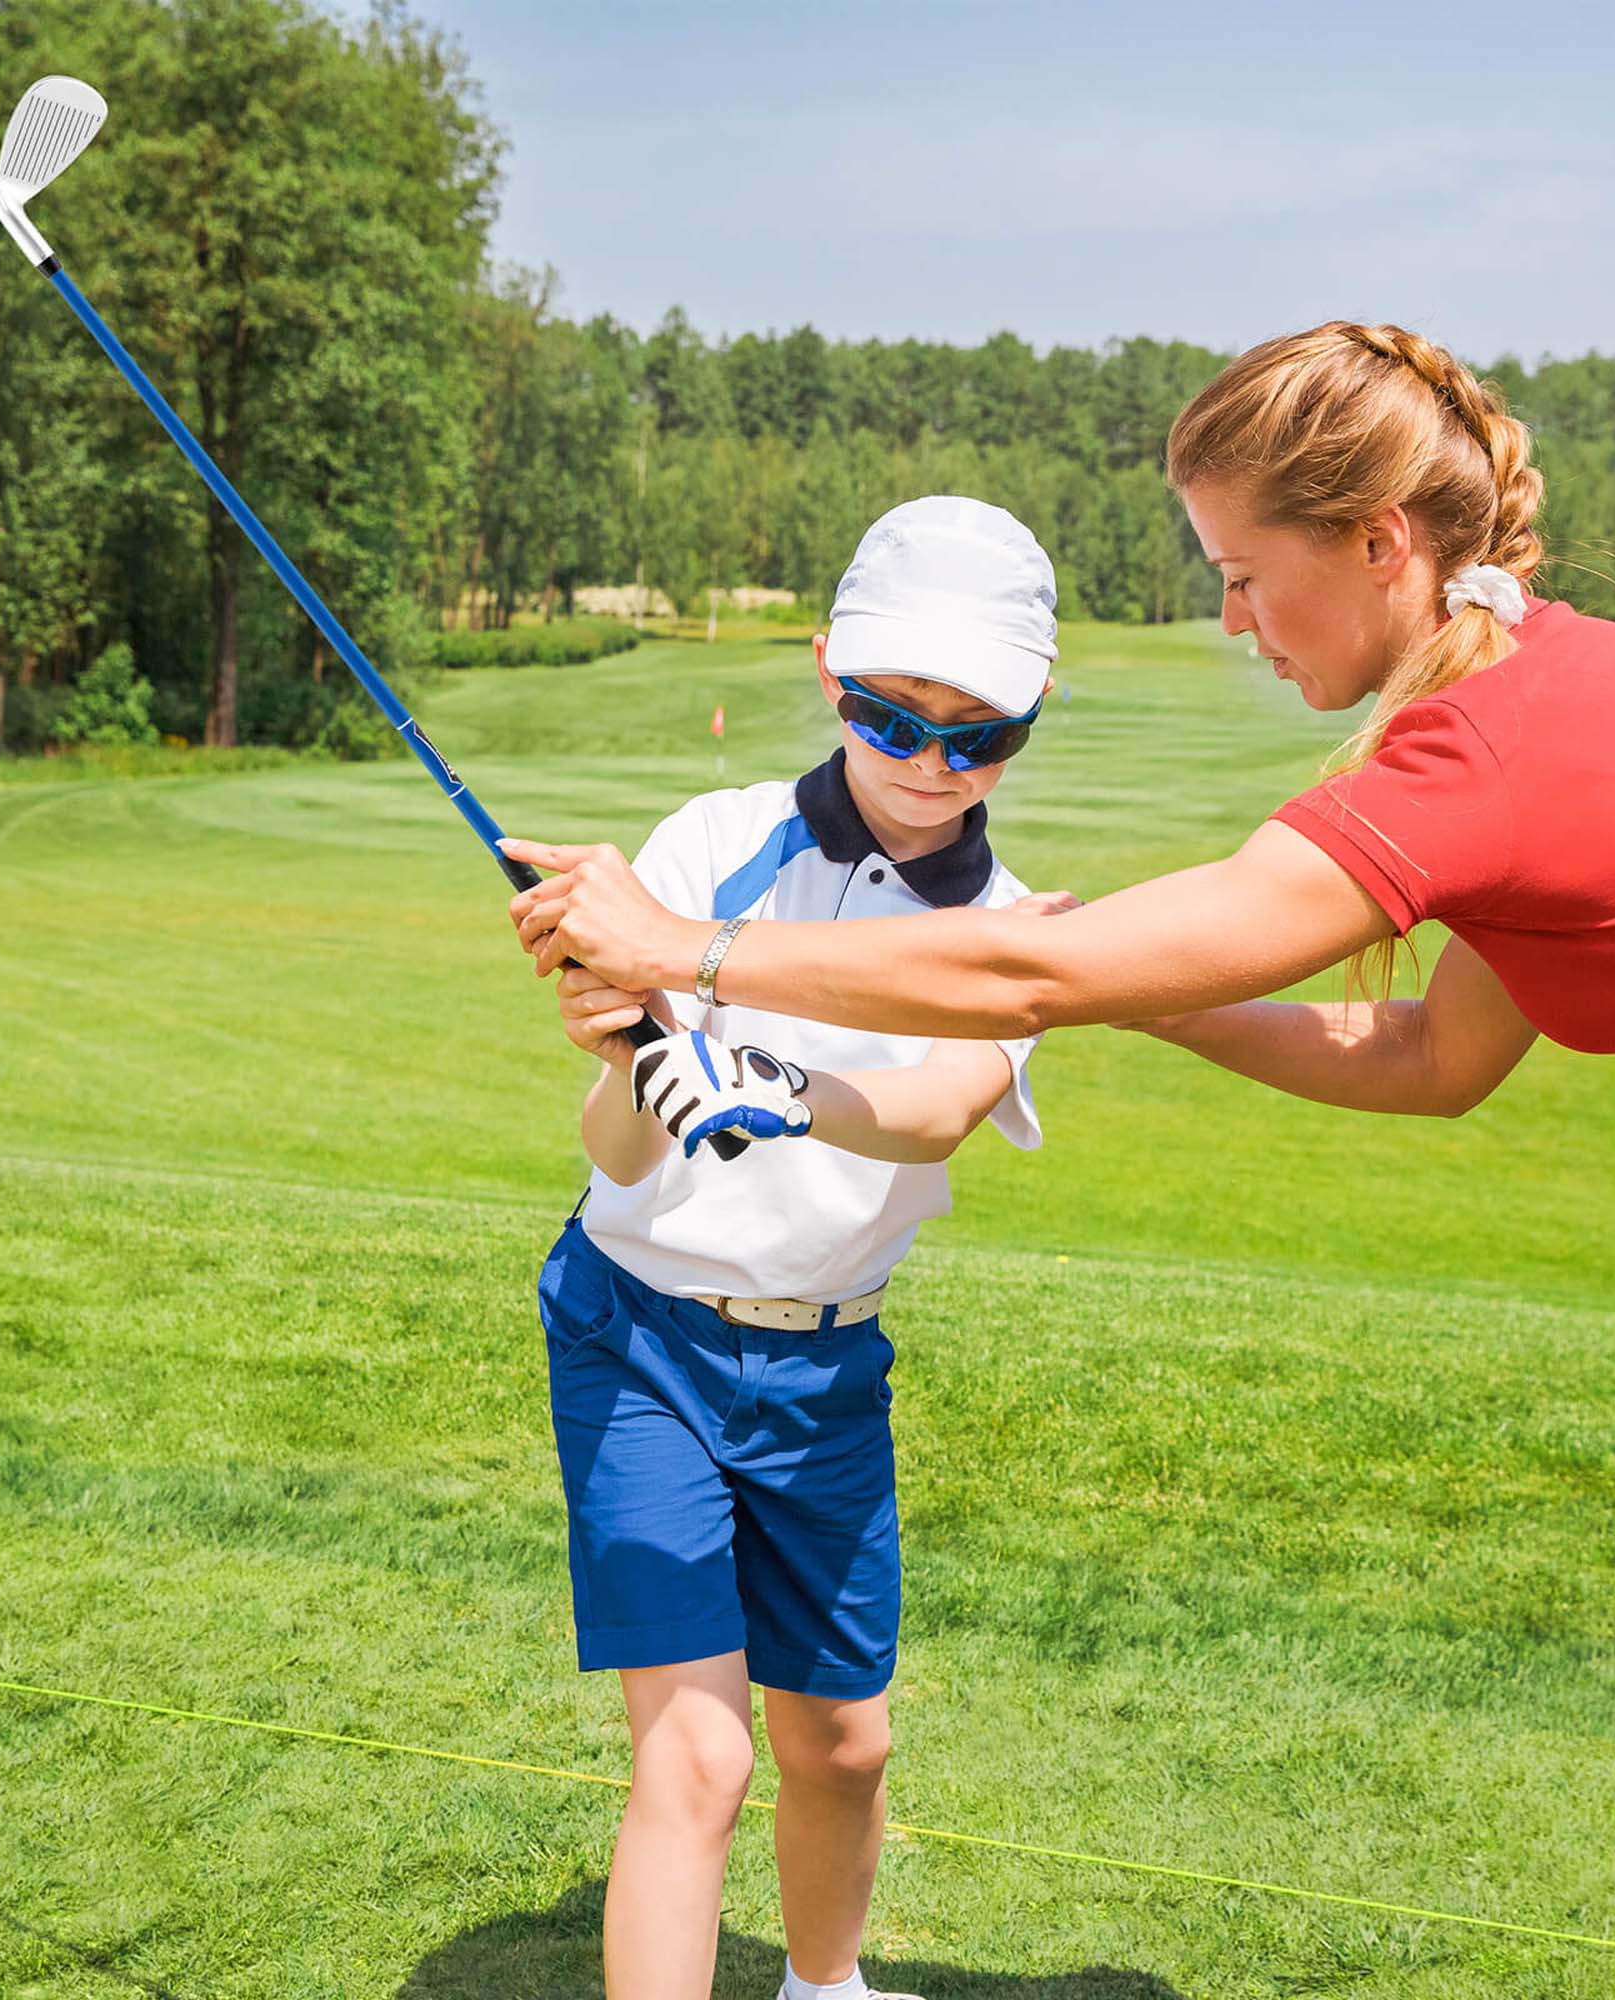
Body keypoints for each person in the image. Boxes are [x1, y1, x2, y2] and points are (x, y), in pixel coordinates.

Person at [505, 322, 1615, 1999]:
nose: (1228, 619)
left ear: (1378, 545)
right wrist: (1155, 1009)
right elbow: (1427, 1059)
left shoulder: (1485, 749)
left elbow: (1023, 975)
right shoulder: (1543, 689)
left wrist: (681, 948)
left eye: (1239, 571)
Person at [529, 494, 1063, 2000]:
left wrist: (777, 1086)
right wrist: (632, 1058)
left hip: (827, 1363)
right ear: (830, 675)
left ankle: (826, 1990)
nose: (932, 766)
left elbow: (946, 1103)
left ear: (1032, 720)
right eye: (896, 720)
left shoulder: (1011, 927)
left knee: (844, 1739)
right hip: (638, 1331)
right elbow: (617, 1156)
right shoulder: (711, 843)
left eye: (982, 736)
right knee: (696, 1755)